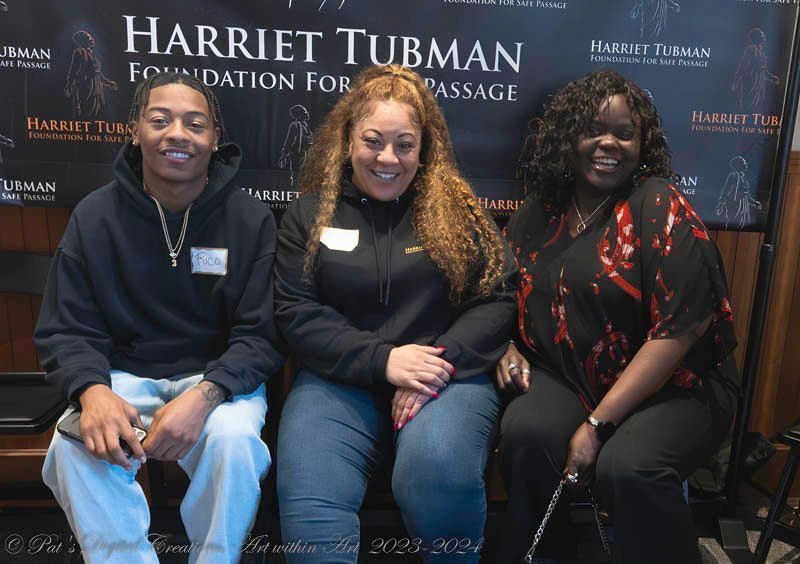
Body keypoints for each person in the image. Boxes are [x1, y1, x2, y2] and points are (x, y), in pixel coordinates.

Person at [35, 72, 283, 564]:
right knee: (71, 448)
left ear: (215, 137)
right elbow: (66, 327)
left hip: (217, 380)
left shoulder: (249, 219)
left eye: (195, 124)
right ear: (134, 130)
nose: (177, 134)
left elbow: (263, 334)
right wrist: (92, 391)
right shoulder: (95, 216)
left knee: (234, 446)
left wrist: (206, 395)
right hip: (122, 377)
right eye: (160, 119)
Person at [274, 64, 517, 563]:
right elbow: (296, 311)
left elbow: (496, 300)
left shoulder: (459, 211)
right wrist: (384, 360)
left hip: (444, 377)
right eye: (373, 141)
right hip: (338, 378)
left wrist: (433, 362)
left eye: (404, 144)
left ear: (424, 147)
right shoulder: (310, 213)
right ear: (347, 140)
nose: (388, 158)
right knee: (308, 485)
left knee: (436, 468)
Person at [495, 70, 737, 564]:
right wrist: (507, 345)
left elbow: (678, 333)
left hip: (678, 387)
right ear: (570, 138)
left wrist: (597, 425)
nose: (609, 143)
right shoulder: (540, 211)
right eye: (594, 130)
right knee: (528, 430)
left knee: (630, 466)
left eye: (624, 132)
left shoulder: (659, 205)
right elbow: (501, 293)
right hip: (573, 378)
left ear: (641, 141)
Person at [64, 30, 117, 119]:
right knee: (86, 111)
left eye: (90, 37)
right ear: (82, 41)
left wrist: (108, 82)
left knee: (97, 113)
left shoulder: (92, 54)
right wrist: (69, 84)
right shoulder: (79, 52)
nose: (92, 39)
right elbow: (73, 70)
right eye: (88, 37)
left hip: (97, 86)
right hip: (87, 86)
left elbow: (98, 73)